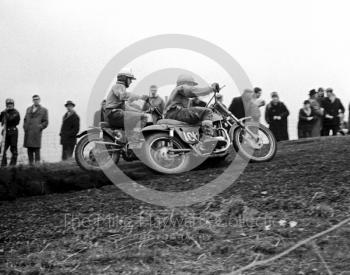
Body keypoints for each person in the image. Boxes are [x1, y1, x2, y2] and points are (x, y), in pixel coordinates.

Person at [164, 74, 223, 145]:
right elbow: (192, 91)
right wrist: (210, 88)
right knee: (207, 111)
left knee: (201, 119)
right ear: (186, 83)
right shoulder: (181, 87)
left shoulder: (179, 95)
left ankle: (198, 143)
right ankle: (207, 137)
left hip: (172, 114)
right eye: (192, 84)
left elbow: (190, 110)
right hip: (176, 113)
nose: (193, 86)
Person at [23, 94, 49, 165]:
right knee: (29, 149)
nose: (36, 101)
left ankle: (37, 166)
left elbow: (46, 122)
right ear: (32, 100)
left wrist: (40, 127)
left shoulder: (44, 110)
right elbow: (25, 120)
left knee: (36, 149)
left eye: (37, 99)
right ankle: (30, 165)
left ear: (39, 100)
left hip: (36, 133)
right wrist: (25, 127)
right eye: (34, 99)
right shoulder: (28, 109)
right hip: (28, 133)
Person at [0, 98, 20, 166]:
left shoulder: (16, 112)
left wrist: (5, 113)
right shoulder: (4, 112)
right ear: (6, 105)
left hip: (13, 132)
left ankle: (12, 165)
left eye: (11, 104)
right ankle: (3, 165)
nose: (10, 105)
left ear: (13, 104)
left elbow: (10, 119)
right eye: (8, 104)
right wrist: (2, 113)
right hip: (6, 132)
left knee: (13, 149)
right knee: (2, 148)